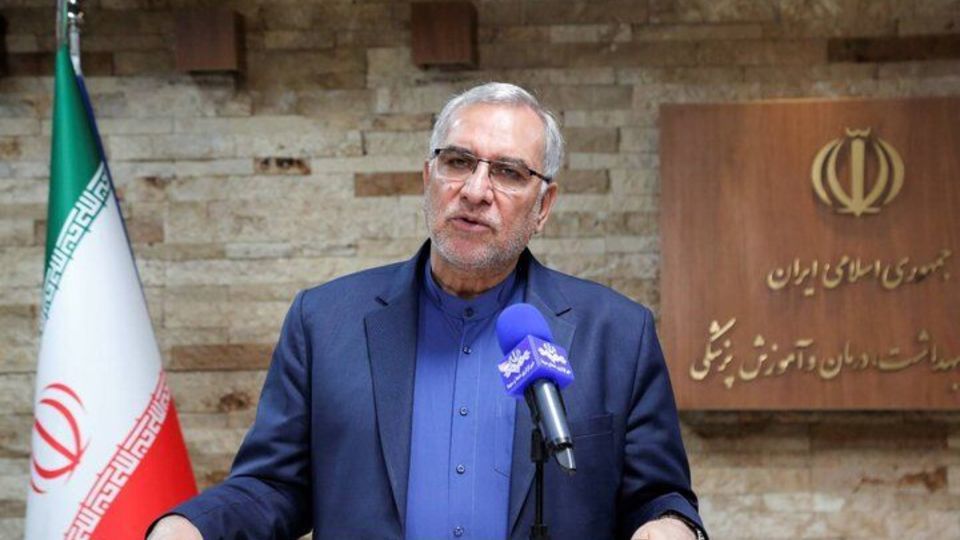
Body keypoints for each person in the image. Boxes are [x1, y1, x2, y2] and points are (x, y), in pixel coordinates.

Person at [148, 82, 706, 540]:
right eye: (458, 161)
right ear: (428, 178)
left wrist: (671, 526)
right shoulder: (324, 322)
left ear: (544, 207)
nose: (475, 191)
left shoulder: (618, 334)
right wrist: (189, 527)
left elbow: (657, 496)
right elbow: (274, 486)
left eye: (509, 172)